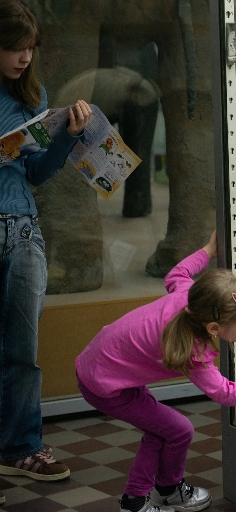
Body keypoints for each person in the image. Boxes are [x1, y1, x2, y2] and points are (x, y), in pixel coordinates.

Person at [75, 231, 236, 512]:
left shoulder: (190, 297)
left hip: (103, 366)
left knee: (168, 431)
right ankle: (135, 502)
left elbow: (178, 271)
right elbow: (224, 392)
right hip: (105, 385)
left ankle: (167, 490)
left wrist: (207, 250)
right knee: (177, 430)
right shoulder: (193, 350)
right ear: (214, 329)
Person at [0, 0, 92, 504]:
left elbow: (34, 172)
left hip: (22, 231)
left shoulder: (31, 96)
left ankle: (21, 448)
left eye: (28, 49)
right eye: (14, 47)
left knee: (23, 352)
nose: (22, 57)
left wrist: (66, 139)